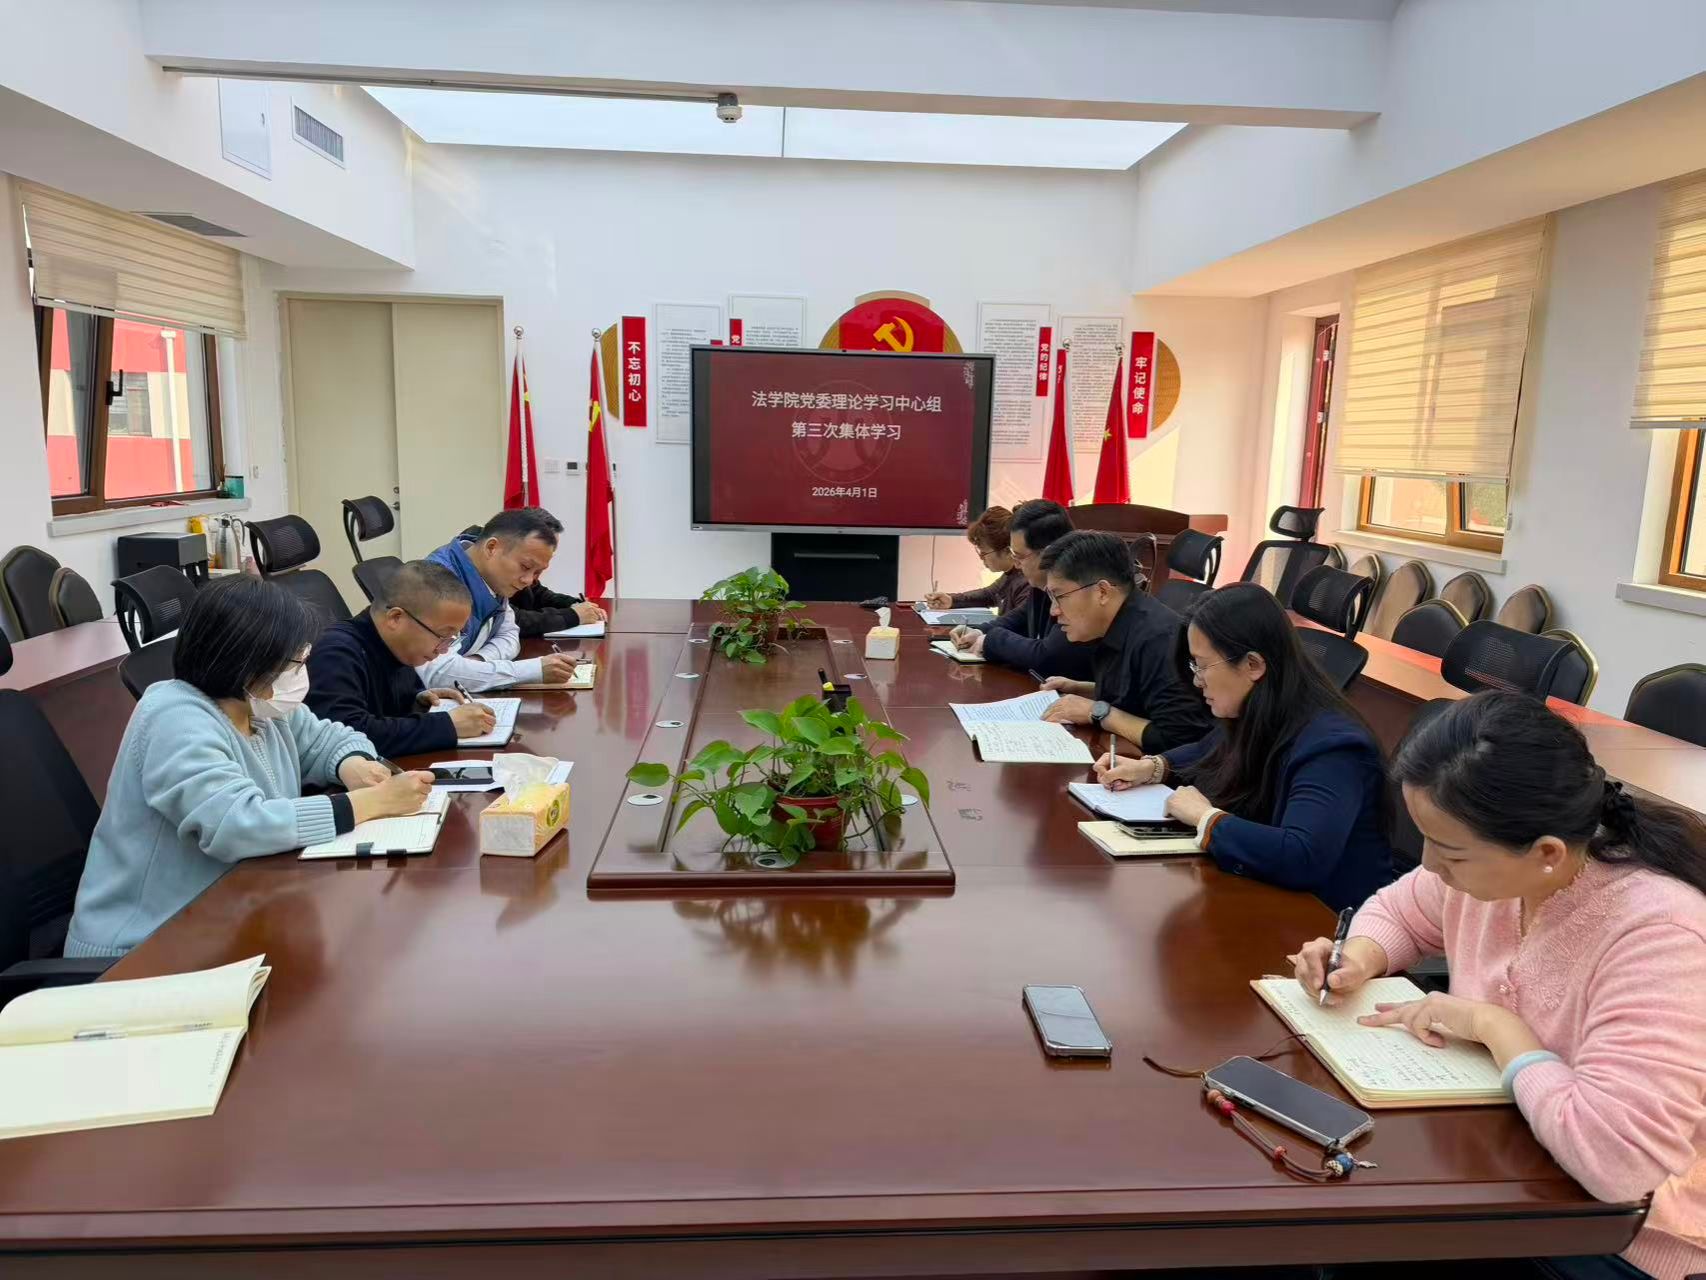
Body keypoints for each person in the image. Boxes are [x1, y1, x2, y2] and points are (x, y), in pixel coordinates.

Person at [1290, 692, 1706, 1280]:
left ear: (1546, 853)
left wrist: (1495, 1027)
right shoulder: (1493, 872)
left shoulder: (1659, 935)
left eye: (1450, 852)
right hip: (1500, 1174)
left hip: (1618, 1238)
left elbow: (1617, 1162)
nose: (1429, 865)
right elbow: (1401, 910)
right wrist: (1357, 957)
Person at [65, 577, 434, 958]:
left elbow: (327, 737)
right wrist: (370, 803)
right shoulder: (173, 717)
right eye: (295, 663)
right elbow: (236, 825)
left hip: (231, 914)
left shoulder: (261, 706)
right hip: (141, 948)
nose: (300, 674)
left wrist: (352, 764)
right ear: (245, 662)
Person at [1093, 583, 1393, 910]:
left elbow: (1302, 856)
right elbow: (1209, 749)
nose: (1196, 680)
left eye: (1202, 665)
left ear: (1253, 665)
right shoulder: (1266, 707)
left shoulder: (1335, 749)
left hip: (1322, 921)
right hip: (1264, 896)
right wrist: (1153, 767)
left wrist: (1206, 819)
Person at [1034, 529, 1213, 754]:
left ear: (1102, 592)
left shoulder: (1159, 641)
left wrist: (1097, 712)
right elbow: (1139, 694)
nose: (1054, 611)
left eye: (1059, 596)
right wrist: (1083, 689)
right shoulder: (1117, 623)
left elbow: (1179, 740)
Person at [305, 560, 498, 758]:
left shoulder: (398, 647)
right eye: (442, 636)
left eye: (453, 638)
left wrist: (416, 700)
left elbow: (384, 708)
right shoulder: (335, 653)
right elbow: (348, 736)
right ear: (396, 618)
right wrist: (448, 725)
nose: (444, 649)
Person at [421, 508, 584, 692]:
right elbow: (439, 674)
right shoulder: (437, 583)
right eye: (525, 566)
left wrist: (477, 663)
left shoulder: (492, 578)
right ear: (491, 548)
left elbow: (510, 636)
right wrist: (533, 670)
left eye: (537, 572)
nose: (528, 581)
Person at [947, 500, 1097, 680]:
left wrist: (990, 641)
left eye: (1019, 556)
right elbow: (1020, 618)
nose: (1016, 565)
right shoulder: (1040, 584)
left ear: (1048, 553)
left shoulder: (1080, 587)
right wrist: (978, 631)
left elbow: (1048, 656)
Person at [456, 521, 606, 636]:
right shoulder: (466, 571)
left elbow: (507, 633)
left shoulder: (514, 566)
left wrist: (575, 604)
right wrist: (572, 616)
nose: (528, 580)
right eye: (526, 566)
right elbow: (516, 622)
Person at [919, 506, 1028, 615]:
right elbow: (989, 595)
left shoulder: (1026, 584)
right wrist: (951, 600)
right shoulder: (1011, 574)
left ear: (1007, 551)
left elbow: (1015, 624)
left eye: (984, 552)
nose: (981, 558)